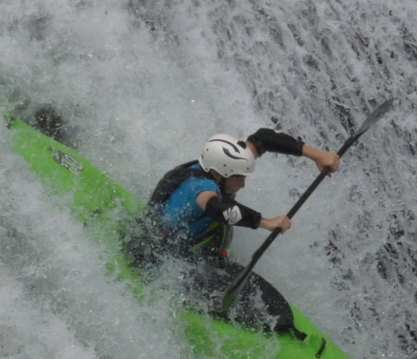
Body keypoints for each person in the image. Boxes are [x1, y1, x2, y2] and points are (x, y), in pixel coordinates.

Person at [137, 128, 341, 334]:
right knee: (273, 311)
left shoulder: (220, 164)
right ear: (218, 174)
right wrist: (265, 222)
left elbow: (263, 138)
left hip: (198, 253)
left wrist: (318, 155)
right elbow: (218, 208)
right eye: (238, 178)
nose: (242, 184)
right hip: (166, 264)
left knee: (273, 307)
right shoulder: (199, 188)